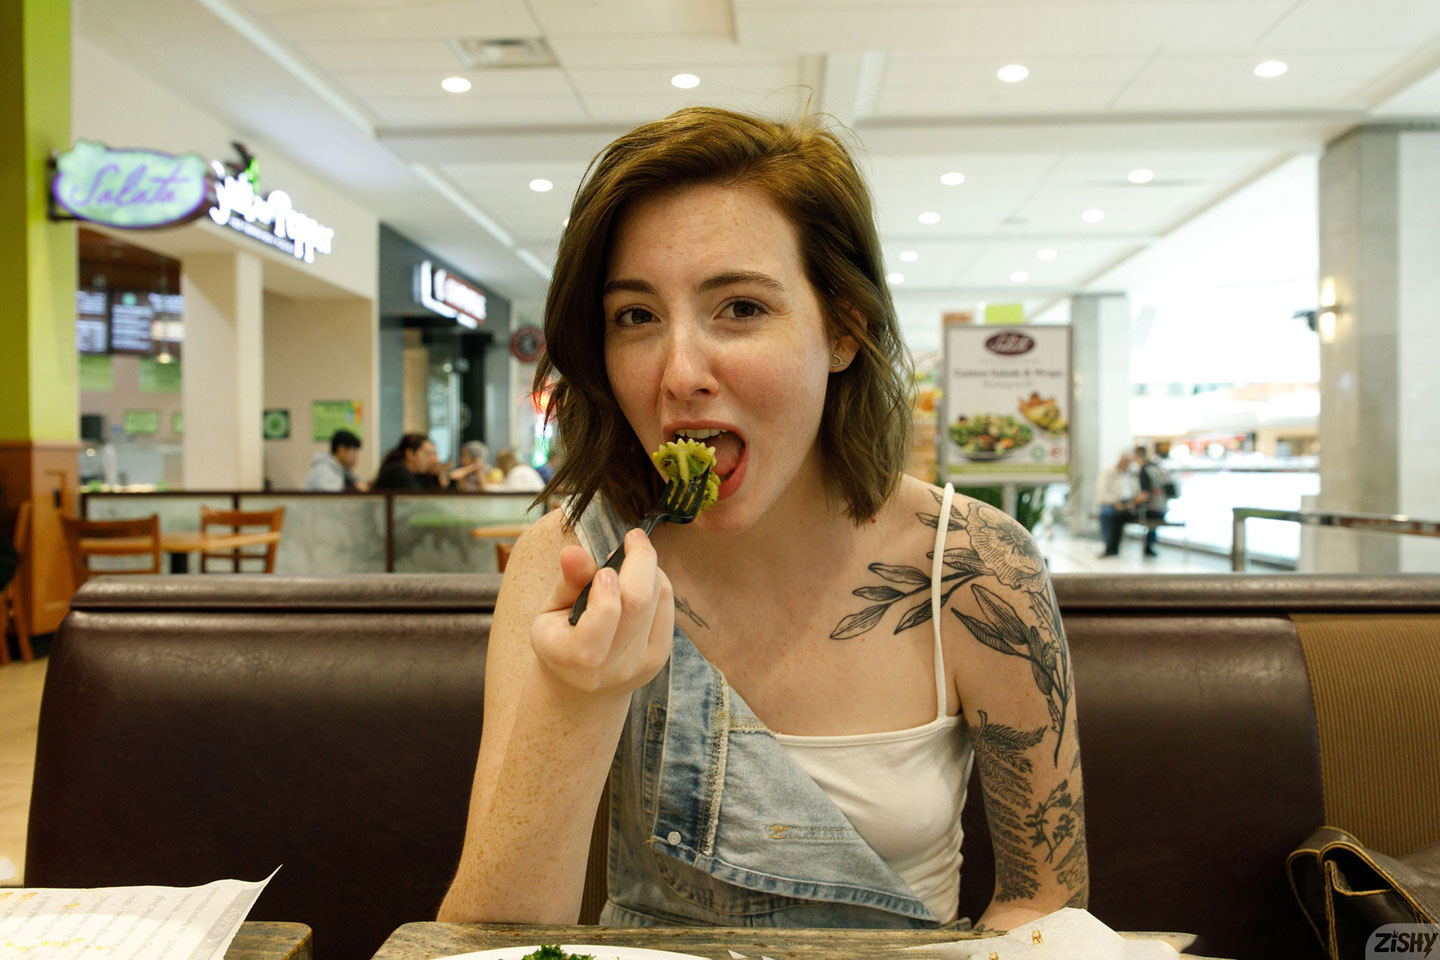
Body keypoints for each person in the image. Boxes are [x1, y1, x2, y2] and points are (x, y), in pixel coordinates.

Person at [438, 107, 1087, 931]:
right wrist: (575, 702)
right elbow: (486, 943)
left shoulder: (975, 566)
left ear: (843, 328)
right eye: (635, 316)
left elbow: (1042, 906)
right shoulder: (566, 559)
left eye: (740, 307)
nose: (678, 374)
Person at [1096, 449, 1144, 557]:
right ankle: (1109, 545)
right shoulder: (1108, 472)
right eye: (1125, 461)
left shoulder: (1134, 474)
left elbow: (1139, 493)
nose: (1127, 464)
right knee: (1106, 513)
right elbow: (1102, 492)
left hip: (1130, 503)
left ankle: (1148, 547)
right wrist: (1115, 503)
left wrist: (1132, 503)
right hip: (1112, 502)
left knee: (1142, 513)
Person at [1136, 441, 1179, 558]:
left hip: (1152, 509)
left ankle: (1148, 546)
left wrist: (1129, 504)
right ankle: (1150, 545)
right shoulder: (1158, 468)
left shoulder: (1145, 470)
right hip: (1163, 508)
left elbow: (1144, 495)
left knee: (1117, 515)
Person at [372, 433, 440, 490]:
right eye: (427, 454)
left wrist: (435, 477)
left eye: (434, 454)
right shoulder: (397, 471)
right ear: (409, 454)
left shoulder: (420, 475)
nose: (434, 460)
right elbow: (418, 500)